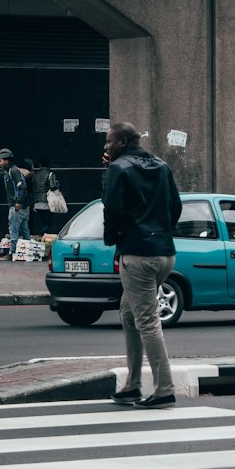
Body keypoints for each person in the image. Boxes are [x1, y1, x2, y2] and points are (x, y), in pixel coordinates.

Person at [103, 121, 182, 409]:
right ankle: (132, 385)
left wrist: (114, 239)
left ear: (122, 142)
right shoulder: (161, 165)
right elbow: (176, 206)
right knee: (128, 312)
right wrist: (161, 231)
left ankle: (164, 389)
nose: (106, 147)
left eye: (109, 142)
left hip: (137, 254)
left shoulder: (117, 169)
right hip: (165, 253)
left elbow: (112, 208)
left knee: (147, 321)